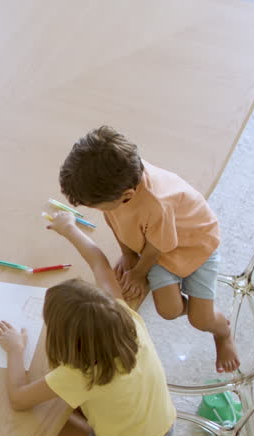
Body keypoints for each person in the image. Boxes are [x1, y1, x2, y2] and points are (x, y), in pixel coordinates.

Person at [0, 210, 176, 436]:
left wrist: (15, 349)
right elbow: (100, 264)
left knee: (37, 431)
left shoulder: (78, 373)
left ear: (64, 338)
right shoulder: (128, 320)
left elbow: (18, 398)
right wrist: (70, 229)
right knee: (77, 404)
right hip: (166, 430)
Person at [58, 126, 240, 373]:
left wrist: (138, 272)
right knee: (169, 311)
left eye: (97, 206)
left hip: (194, 245)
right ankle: (197, 307)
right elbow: (115, 220)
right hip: (157, 242)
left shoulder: (156, 203)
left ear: (127, 195)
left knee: (201, 320)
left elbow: (159, 246)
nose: (97, 210)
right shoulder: (120, 180)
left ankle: (223, 332)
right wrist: (128, 254)